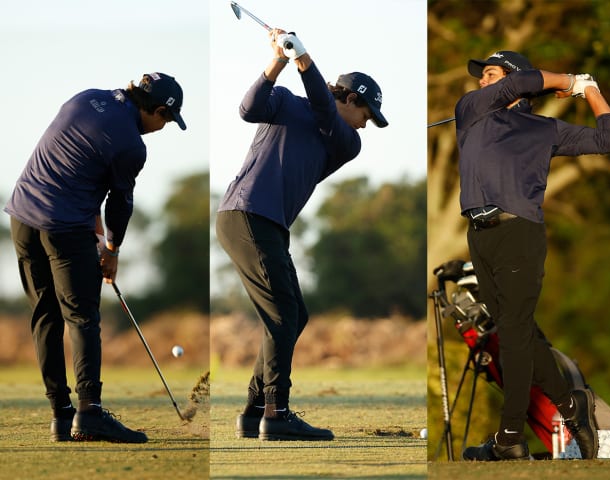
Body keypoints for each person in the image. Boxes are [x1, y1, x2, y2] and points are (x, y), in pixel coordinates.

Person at [216, 28, 388, 442]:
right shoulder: (287, 103)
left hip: (267, 223)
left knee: (295, 315)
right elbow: (248, 107)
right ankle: (276, 413)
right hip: (247, 214)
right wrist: (278, 59)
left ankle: (256, 410)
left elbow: (325, 112)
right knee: (281, 315)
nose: (365, 127)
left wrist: (303, 59)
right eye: (367, 116)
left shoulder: (344, 141)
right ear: (352, 98)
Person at [455, 50, 610, 461]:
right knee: (516, 333)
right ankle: (572, 404)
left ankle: (510, 437)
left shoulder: (544, 129)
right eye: (483, 76)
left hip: (519, 233)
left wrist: (590, 91)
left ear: (514, 77)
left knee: (514, 332)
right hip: (479, 235)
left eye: (491, 74)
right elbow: (516, 85)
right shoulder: (472, 109)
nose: (482, 81)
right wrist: (568, 79)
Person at [5, 72, 187, 443]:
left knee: (45, 316)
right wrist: (113, 252)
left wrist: (100, 237)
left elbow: (80, 172)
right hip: (64, 230)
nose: (163, 127)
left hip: (22, 216)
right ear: (155, 110)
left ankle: (61, 415)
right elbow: (119, 204)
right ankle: (89, 413)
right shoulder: (132, 146)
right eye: (166, 119)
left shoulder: (86, 98)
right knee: (82, 318)